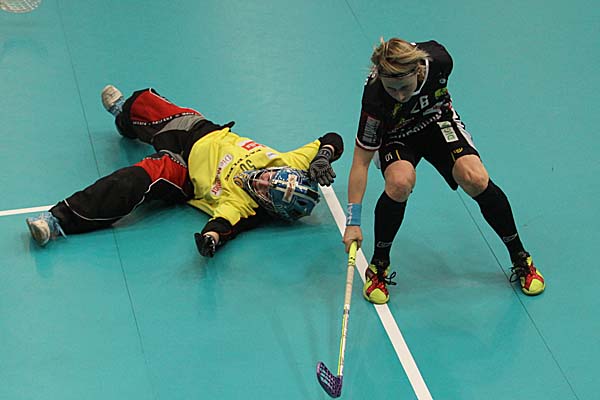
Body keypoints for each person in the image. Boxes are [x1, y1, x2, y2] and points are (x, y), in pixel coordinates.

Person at [26, 85, 344, 257]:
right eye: (272, 177)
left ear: (269, 205)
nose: (264, 180)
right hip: (202, 132)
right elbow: (333, 139)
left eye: (267, 189)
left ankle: (56, 222)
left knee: (131, 181)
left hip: (182, 172)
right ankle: (124, 116)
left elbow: (223, 226)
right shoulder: (290, 163)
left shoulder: (245, 207)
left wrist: (210, 240)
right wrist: (323, 157)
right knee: (146, 103)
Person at [342, 38, 544, 304]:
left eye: (405, 87)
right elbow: (360, 162)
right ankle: (379, 265)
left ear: (418, 70)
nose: (400, 95)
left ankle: (520, 257)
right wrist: (353, 222)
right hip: (396, 135)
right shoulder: (375, 99)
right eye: (392, 89)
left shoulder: (440, 61)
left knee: (475, 178)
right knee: (399, 182)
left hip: (438, 122)